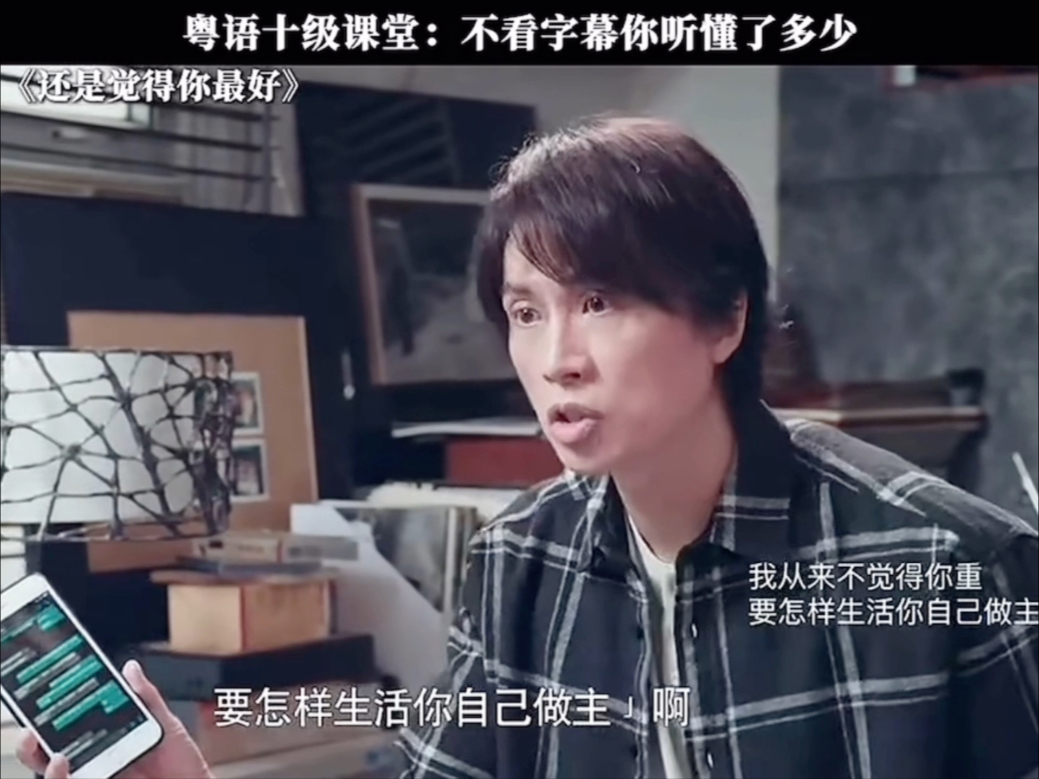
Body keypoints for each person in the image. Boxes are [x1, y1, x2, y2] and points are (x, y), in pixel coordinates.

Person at [17, 115, 1037, 779]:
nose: (557, 359)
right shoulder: (522, 558)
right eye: (525, 311)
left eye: (600, 302)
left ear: (726, 317)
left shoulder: (944, 559)